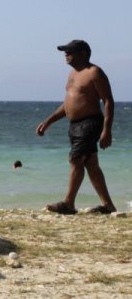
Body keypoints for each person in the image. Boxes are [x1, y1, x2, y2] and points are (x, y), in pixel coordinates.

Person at [36, 39, 116, 215]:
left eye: (70, 51)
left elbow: (108, 101)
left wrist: (106, 129)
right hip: (74, 125)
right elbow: (69, 104)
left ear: (83, 53)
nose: (66, 54)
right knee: (91, 164)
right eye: (65, 51)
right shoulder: (72, 74)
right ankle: (108, 205)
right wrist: (48, 121)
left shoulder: (94, 72)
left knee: (76, 160)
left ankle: (69, 203)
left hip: (90, 122)